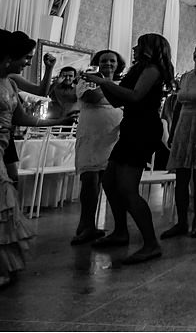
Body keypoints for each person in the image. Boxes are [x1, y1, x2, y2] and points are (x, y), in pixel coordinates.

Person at [0, 31, 68, 295]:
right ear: (9, 58)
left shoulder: (9, 84)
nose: (27, 64)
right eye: (25, 58)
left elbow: (21, 118)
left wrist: (57, 121)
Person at [80, 33, 173, 265]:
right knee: (110, 182)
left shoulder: (152, 69)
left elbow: (135, 96)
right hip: (131, 126)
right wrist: (102, 81)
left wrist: (105, 83)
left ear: (150, 48)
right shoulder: (138, 68)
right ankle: (120, 231)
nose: (134, 47)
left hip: (143, 129)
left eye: (140, 44)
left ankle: (151, 244)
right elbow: (117, 101)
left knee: (127, 188)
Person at [0, 27, 57, 183]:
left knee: (10, 178)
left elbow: (40, 91)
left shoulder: (8, 76)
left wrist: (49, 69)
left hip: (0, 133)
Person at [161, 41, 196, 239]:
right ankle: (181, 221)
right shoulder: (185, 77)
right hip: (183, 126)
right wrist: (174, 131)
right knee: (182, 177)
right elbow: (177, 106)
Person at [71, 49, 126, 245]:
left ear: (118, 64)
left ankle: (114, 226)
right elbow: (91, 97)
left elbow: (124, 101)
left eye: (112, 61)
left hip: (113, 137)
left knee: (110, 182)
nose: (108, 64)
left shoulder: (122, 84)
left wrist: (106, 90)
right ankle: (86, 224)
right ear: (97, 63)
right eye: (104, 61)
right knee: (89, 180)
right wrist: (108, 90)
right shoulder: (86, 81)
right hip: (91, 136)